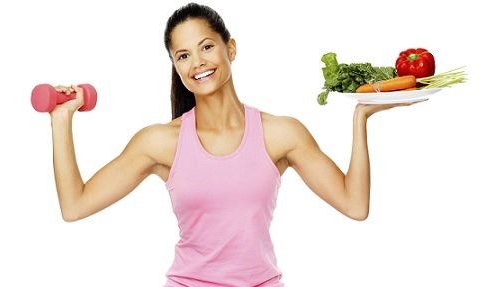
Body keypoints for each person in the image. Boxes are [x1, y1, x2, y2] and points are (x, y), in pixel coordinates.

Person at [49, 3, 422, 287]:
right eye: (183, 55)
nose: (197, 63)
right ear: (176, 67)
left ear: (231, 48)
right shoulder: (160, 142)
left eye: (206, 47)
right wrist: (61, 120)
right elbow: (75, 205)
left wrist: (360, 119)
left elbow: (355, 205)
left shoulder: (281, 134)